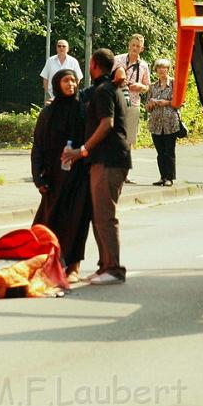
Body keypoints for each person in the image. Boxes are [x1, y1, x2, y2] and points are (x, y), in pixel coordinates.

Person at [63, 48, 131, 285]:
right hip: (106, 159)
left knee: (105, 215)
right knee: (99, 215)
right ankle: (105, 266)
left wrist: (82, 151)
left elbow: (107, 124)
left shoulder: (104, 91)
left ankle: (114, 269)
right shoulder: (107, 88)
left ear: (93, 64)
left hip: (108, 160)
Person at [31, 69, 91, 282]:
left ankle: (73, 267)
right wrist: (38, 177)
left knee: (76, 221)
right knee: (50, 221)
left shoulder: (82, 110)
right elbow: (38, 145)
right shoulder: (48, 113)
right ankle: (46, 263)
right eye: (66, 80)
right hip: (54, 178)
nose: (71, 84)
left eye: (74, 80)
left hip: (79, 177)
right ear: (57, 84)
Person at [113, 34, 150, 182]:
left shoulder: (144, 65)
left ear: (142, 49)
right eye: (133, 45)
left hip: (133, 104)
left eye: (138, 46)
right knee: (114, 137)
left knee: (128, 140)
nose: (135, 48)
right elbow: (108, 78)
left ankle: (124, 174)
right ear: (129, 45)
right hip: (117, 102)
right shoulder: (118, 60)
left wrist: (140, 86)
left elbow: (147, 86)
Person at [146, 58, 180, 187]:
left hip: (170, 122)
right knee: (160, 152)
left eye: (164, 68)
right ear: (156, 70)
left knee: (169, 151)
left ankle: (169, 178)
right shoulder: (152, 86)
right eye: (159, 68)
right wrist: (150, 104)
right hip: (156, 123)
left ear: (168, 69)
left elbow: (180, 103)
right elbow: (147, 106)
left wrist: (166, 103)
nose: (162, 70)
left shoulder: (174, 84)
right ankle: (162, 176)